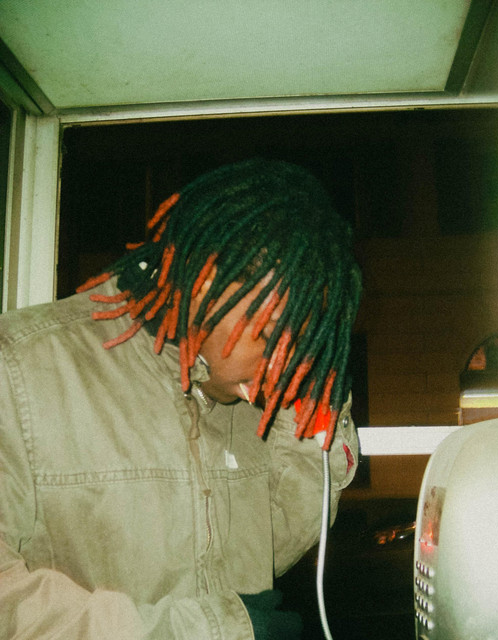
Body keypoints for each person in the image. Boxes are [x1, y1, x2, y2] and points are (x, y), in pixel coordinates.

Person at [0, 158, 362, 639]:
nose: (283, 366)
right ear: (205, 282)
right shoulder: (19, 366)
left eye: (304, 345)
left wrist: (310, 418)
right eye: (271, 335)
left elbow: (267, 552)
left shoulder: (249, 407)